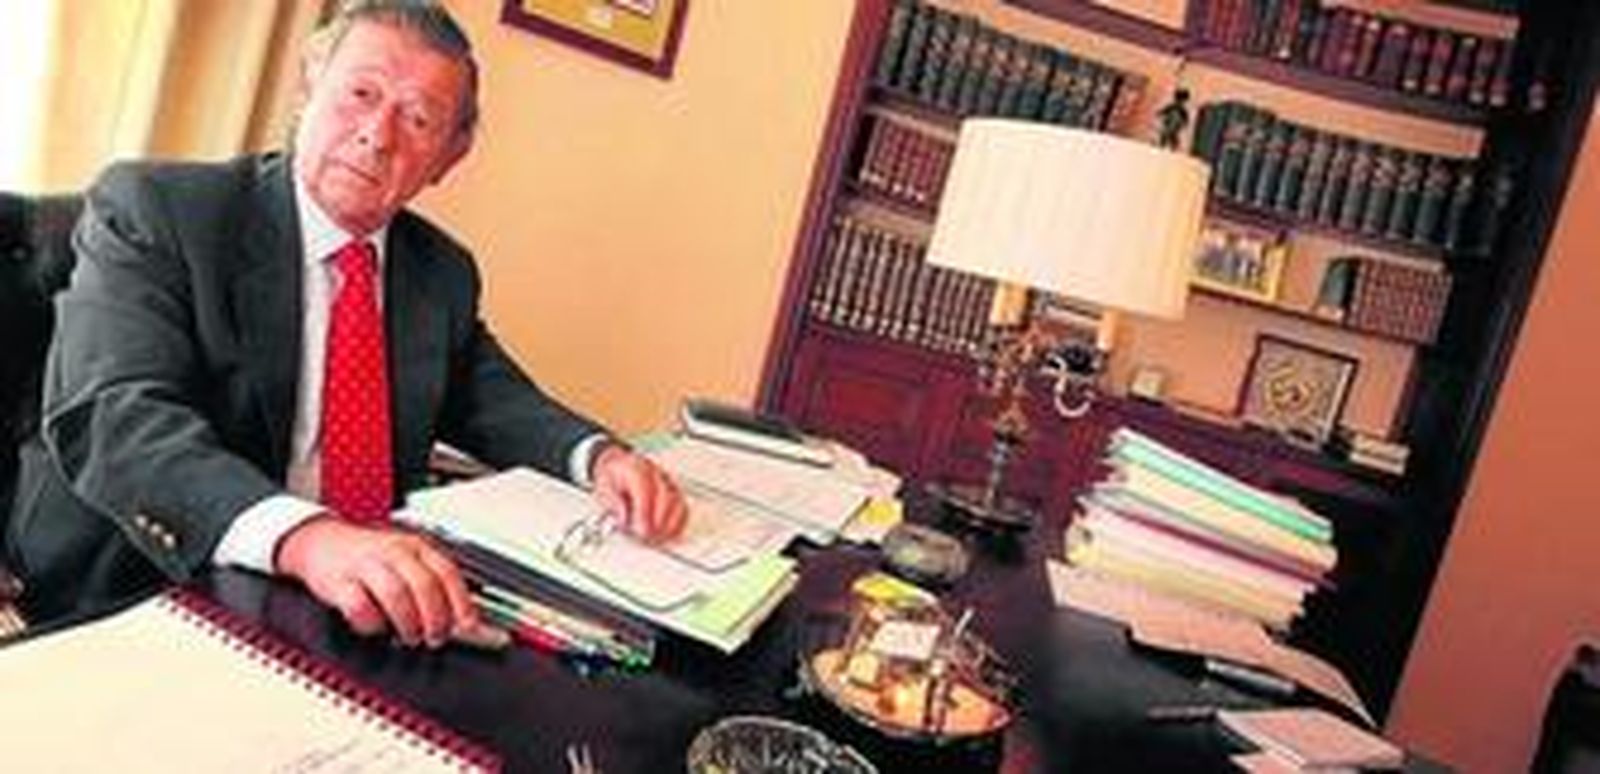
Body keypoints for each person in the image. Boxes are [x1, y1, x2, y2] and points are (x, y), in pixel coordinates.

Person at [4, 0, 687, 648]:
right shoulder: (160, 209)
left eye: (418, 119)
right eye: (361, 94)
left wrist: (599, 456)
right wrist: (307, 538)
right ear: (308, 87)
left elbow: (493, 397)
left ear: (448, 160)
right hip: (142, 582)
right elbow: (117, 415)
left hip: (346, 603)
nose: (377, 134)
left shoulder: (441, 271)